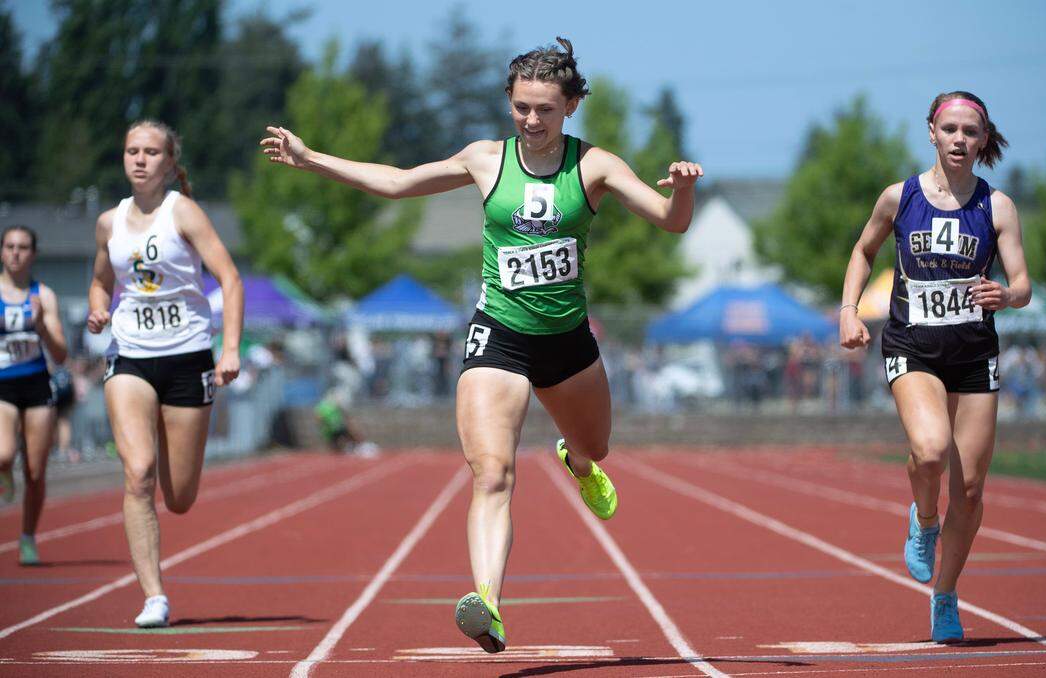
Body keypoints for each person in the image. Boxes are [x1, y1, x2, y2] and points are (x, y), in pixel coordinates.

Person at [261, 37, 702, 653]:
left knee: (595, 442)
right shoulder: (484, 160)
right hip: (498, 334)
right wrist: (312, 159)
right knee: (491, 473)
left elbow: (671, 220)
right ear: (509, 103)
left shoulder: (594, 165)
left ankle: (578, 463)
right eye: (521, 107)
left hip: (567, 341)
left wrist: (681, 188)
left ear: (570, 107)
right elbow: (395, 182)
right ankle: (488, 602)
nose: (531, 120)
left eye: (545, 109)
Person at [838, 92, 1030, 642]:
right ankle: (924, 521)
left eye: (971, 131)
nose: (959, 139)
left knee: (969, 489)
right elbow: (862, 251)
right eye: (950, 129)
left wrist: (1007, 295)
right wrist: (849, 311)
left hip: (974, 355)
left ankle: (944, 595)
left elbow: (1023, 284)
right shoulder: (900, 198)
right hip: (913, 346)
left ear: (984, 139)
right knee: (930, 449)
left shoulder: (998, 207)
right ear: (931, 133)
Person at [87, 120, 243, 627]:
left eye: (151, 152)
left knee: (178, 497)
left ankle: (163, 431)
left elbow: (230, 278)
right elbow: (99, 281)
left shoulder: (185, 212)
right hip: (129, 355)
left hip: (188, 356)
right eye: (132, 150)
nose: (139, 159)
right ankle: (154, 596)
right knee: (137, 474)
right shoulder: (109, 222)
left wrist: (230, 349)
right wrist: (97, 309)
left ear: (170, 163)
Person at [0, 225, 68, 565]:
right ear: (1, 252)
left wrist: (40, 324)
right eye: (9, 246)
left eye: (23, 247)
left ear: (33, 254)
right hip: (2, 384)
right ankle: (4, 470)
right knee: (3, 453)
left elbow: (61, 354)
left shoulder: (45, 295)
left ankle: (27, 536)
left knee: (36, 471)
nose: (15, 253)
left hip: (36, 383)